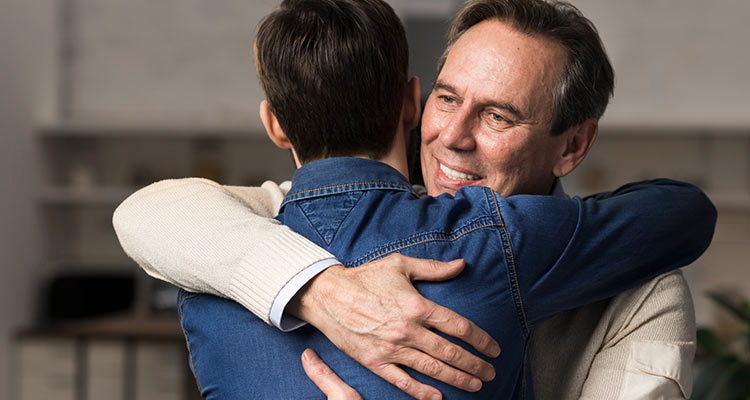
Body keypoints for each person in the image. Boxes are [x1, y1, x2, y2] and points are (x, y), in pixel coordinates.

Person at [113, 0, 715, 398]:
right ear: (414, 102)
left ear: (573, 145)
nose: (452, 136)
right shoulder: (266, 223)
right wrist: (318, 290)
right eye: (447, 99)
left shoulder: (643, 293)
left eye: (498, 116)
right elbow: (149, 215)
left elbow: (685, 212)